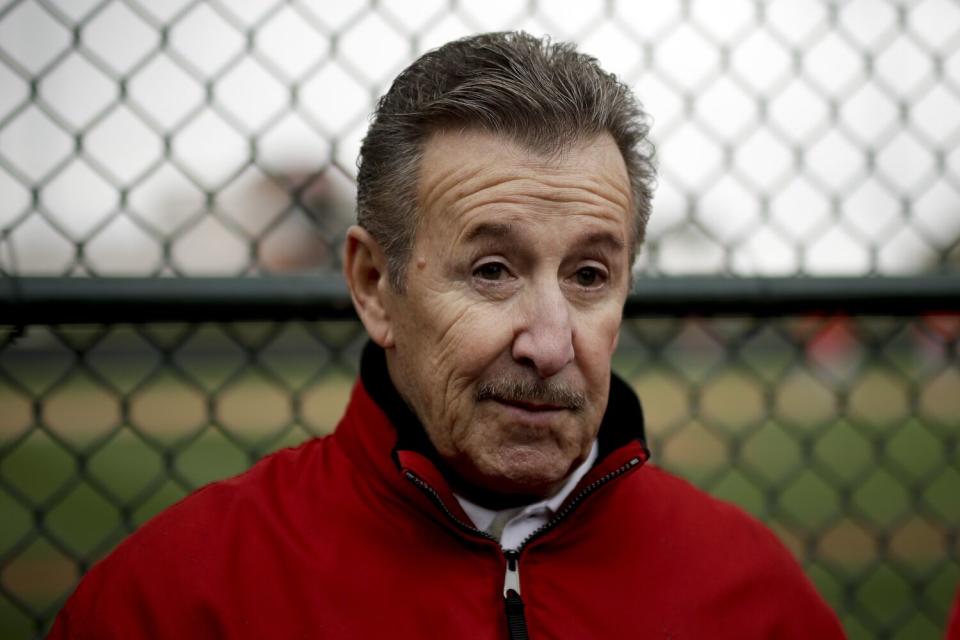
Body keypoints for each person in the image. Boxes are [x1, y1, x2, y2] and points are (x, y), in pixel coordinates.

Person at [49, 32, 844, 639]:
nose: (549, 343)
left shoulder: (755, 597)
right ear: (373, 286)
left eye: (589, 277)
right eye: (492, 270)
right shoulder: (178, 599)